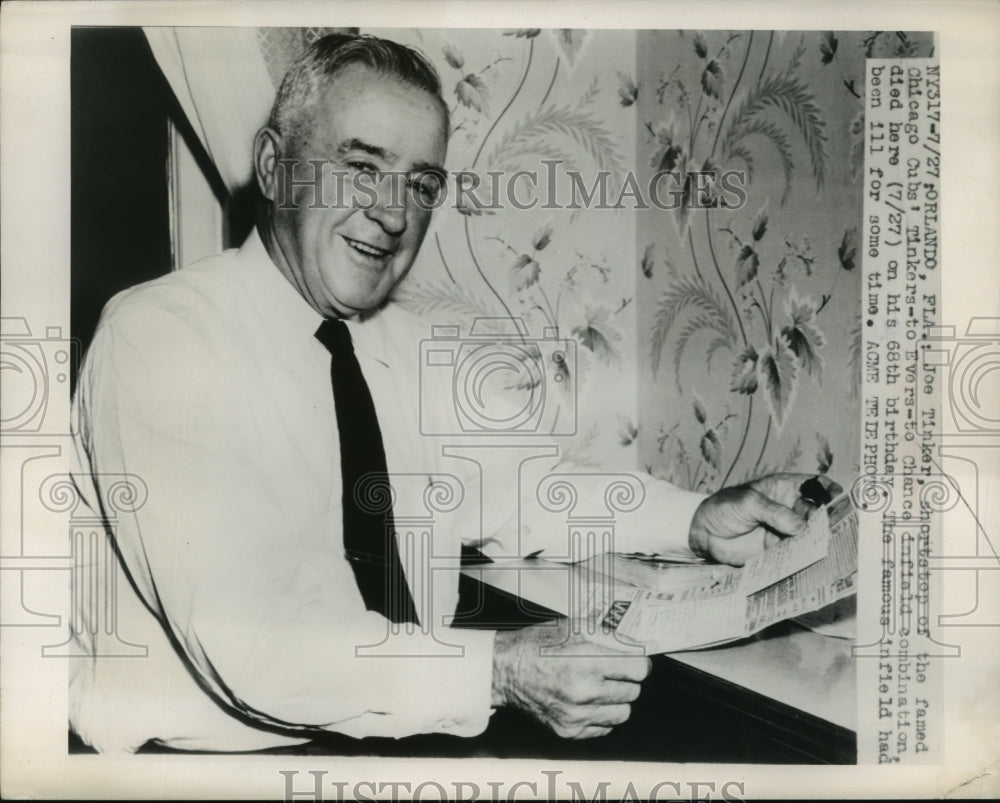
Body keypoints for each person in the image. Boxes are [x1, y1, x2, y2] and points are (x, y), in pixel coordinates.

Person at [69, 33, 837, 753]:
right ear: (273, 168)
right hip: (194, 770)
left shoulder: (398, 345)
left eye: (421, 183)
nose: (394, 212)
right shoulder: (160, 340)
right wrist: (497, 667)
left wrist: (696, 520)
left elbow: (528, 489)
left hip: (398, 746)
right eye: (362, 166)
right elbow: (258, 645)